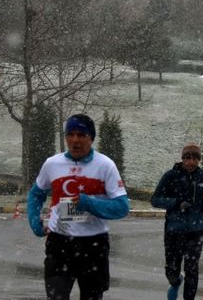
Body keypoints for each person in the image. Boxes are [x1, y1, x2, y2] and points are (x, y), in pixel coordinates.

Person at [27, 114, 130, 300]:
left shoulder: (105, 165)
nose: (75, 140)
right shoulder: (52, 164)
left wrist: (89, 203)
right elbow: (36, 194)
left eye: (81, 135)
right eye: (70, 134)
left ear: (91, 138)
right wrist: (35, 221)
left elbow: (122, 207)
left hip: (93, 245)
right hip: (59, 243)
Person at [152, 143, 203, 300]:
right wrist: (176, 203)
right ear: (182, 159)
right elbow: (155, 199)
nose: (191, 162)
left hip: (195, 231)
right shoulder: (171, 176)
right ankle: (175, 282)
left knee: (192, 269)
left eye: (195, 159)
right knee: (171, 270)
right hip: (173, 230)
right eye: (187, 158)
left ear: (199, 160)